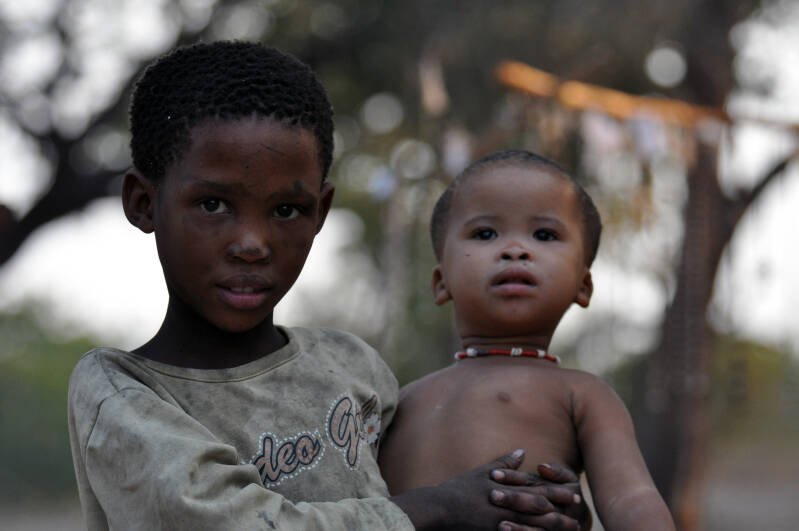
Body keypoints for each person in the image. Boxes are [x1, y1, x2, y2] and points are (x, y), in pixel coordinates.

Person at [67, 42, 588, 530]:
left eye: (286, 210)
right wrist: (444, 505)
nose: (252, 244)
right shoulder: (121, 392)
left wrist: (526, 502)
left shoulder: (350, 365)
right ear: (143, 203)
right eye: (213, 204)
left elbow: (423, 490)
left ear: (320, 211)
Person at [378, 150, 676, 531]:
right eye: (485, 234)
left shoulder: (583, 395)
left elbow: (631, 498)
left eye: (544, 235)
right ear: (441, 282)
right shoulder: (398, 401)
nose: (515, 249)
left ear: (583, 285)